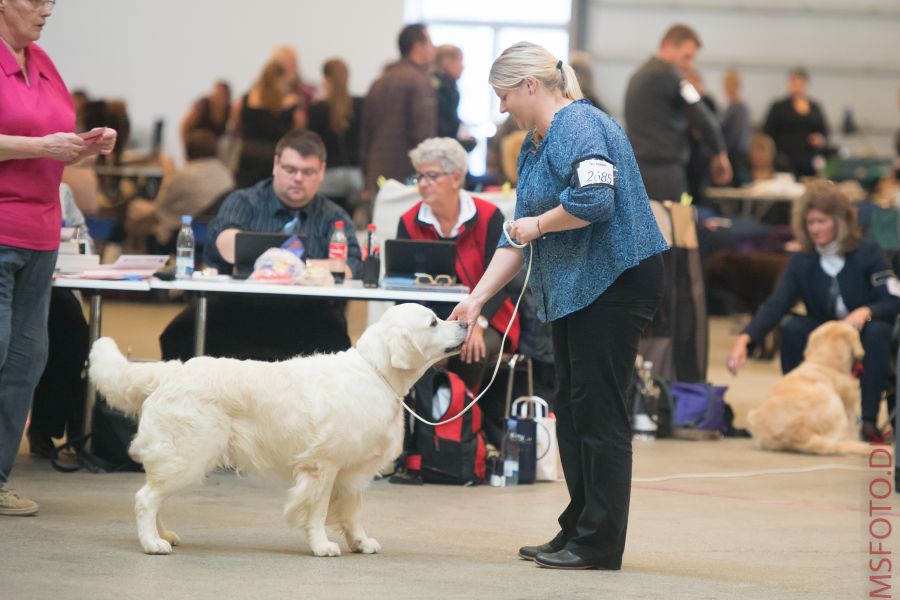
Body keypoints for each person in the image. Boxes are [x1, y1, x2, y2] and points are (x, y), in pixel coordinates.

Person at [450, 42, 668, 570]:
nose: (502, 109)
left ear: (530, 85)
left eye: (504, 96)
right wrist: (476, 299)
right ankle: (578, 526)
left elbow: (597, 202)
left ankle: (599, 544)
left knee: (600, 412)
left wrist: (541, 224)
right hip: (578, 286)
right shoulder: (535, 144)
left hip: (617, 282)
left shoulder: (579, 126)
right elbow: (515, 235)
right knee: (570, 408)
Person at [0, 0, 117, 516]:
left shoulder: (43, 62)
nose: (47, 9)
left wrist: (86, 145)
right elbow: (36, 143)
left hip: (42, 234)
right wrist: (41, 147)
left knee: (27, 361)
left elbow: (51, 138)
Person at [159, 130, 361, 362]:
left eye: (308, 172)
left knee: (337, 345)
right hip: (238, 308)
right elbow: (224, 242)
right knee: (178, 335)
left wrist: (282, 264)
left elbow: (349, 266)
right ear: (276, 165)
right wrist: (301, 265)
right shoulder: (244, 201)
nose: (298, 178)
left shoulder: (333, 216)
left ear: (322, 171)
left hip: (307, 313)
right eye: (290, 169)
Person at [727, 181, 900, 442]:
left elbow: (892, 300)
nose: (815, 229)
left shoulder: (869, 253)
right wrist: (746, 338)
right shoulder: (802, 261)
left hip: (862, 335)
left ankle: (868, 421)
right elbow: (776, 304)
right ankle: (798, 407)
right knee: (792, 327)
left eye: (822, 221)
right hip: (824, 336)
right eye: (810, 223)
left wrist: (867, 310)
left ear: (840, 220)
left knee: (879, 331)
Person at [397, 137, 519, 391]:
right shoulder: (409, 221)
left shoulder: (488, 216)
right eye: (419, 176)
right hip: (431, 319)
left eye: (431, 176)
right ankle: (421, 428)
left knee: (469, 350)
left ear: (456, 178)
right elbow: (401, 287)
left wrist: (478, 324)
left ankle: (460, 424)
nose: (422, 184)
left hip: (487, 316)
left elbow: (502, 282)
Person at [624, 24, 731, 201]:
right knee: (671, 226)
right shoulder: (669, 76)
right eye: (686, 57)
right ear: (667, 45)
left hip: (638, 171)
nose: (689, 65)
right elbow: (703, 117)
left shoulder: (638, 75)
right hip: (664, 176)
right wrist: (720, 153)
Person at [125, 129, 234, 253]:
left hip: (182, 231)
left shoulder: (184, 176)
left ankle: (134, 258)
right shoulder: (225, 172)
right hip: (210, 228)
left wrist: (168, 175)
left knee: (135, 212)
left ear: (187, 150)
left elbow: (161, 207)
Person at [361, 23, 437, 200]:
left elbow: (365, 135)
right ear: (418, 47)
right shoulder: (419, 82)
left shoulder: (379, 81)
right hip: (408, 179)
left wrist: (366, 178)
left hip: (377, 174)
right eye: (430, 44)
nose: (434, 50)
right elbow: (424, 137)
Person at [231, 60, 304, 189]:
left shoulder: (245, 100)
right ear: (283, 78)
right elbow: (298, 132)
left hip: (248, 157)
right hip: (276, 159)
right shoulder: (292, 103)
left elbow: (237, 127)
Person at [307, 58, 364, 215]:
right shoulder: (360, 105)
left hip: (329, 174)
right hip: (355, 175)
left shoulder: (317, 109)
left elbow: (312, 144)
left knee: (326, 221)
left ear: (326, 79)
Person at [763, 67, 829, 178]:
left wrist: (820, 139)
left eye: (800, 83)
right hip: (784, 160)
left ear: (806, 84)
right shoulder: (778, 107)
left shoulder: (815, 107)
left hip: (809, 161)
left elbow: (825, 131)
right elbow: (767, 132)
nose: (797, 86)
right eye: (794, 82)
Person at [433, 44, 475, 152]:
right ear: (446, 62)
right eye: (460, 61)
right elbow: (447, 126)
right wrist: (465, 142)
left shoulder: (439, 83)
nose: (463, 67)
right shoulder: (444, 87)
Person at [180, 80, 231, 152]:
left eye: (221, 95)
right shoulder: (202, 106)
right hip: (196, 148)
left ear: (227, 97)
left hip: (213, 152)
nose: (217, 99)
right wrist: (186, 150)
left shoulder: (229, 111)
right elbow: (184, 126)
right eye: (215, 95)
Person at [721, 69, 752, 185]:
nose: (729, 89)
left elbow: (735, 137)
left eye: (732, 85)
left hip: (737, 158)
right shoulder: (729, 108)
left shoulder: (740, 109)